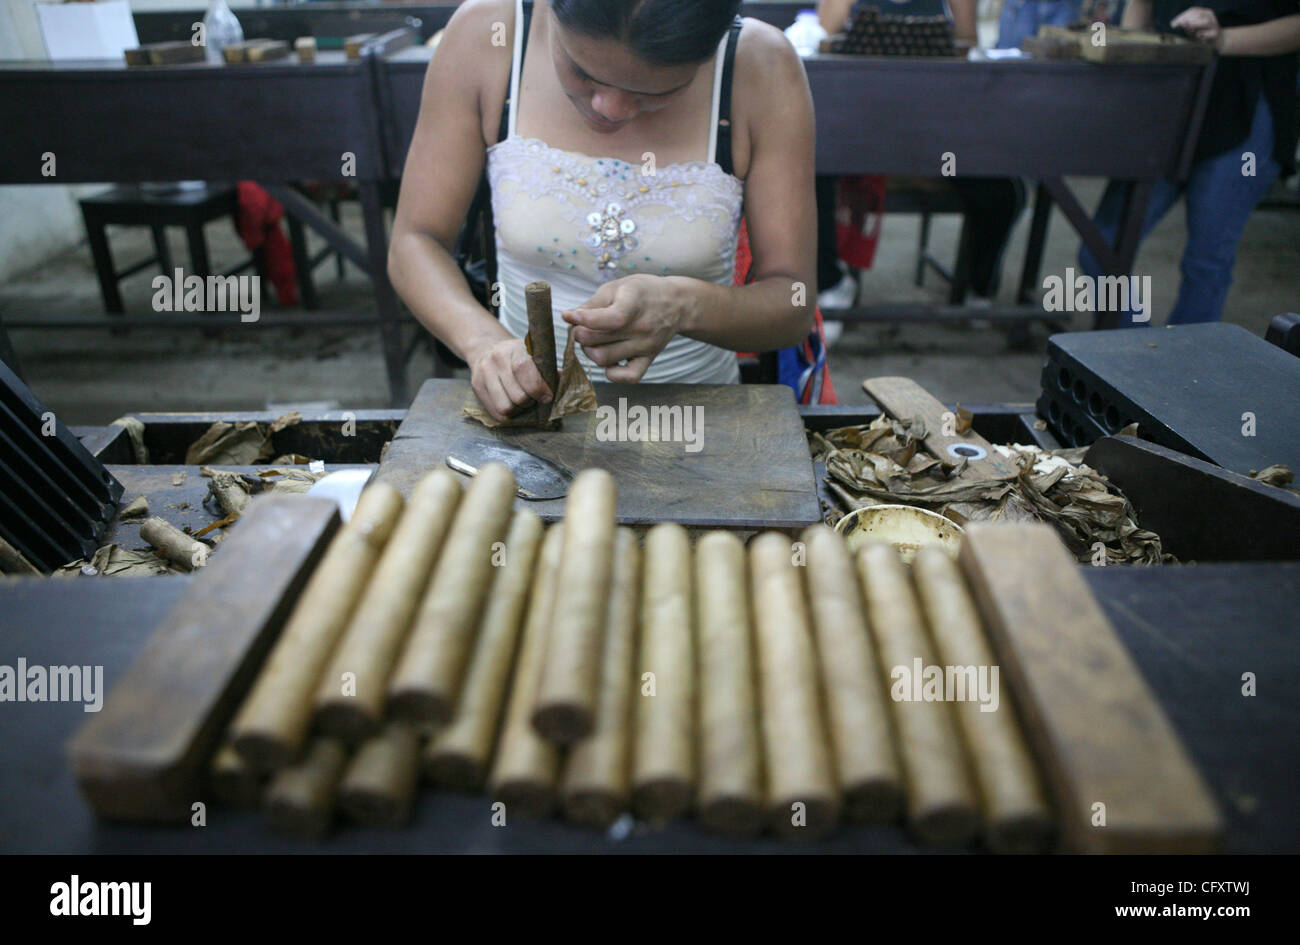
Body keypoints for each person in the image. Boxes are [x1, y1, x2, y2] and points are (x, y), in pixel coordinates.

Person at [389, 0, 817, 421]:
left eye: (655, 92)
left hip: (697, 427)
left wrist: (684, 305)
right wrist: (482, 341)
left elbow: (793, 301)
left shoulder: (761, 66)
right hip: (526, 424)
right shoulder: (488, 36)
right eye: (582, 72)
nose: (609, 109)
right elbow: (416, 241)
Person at [1079, 1, 1300, 327]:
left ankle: (1182, 371)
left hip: (1248, 106)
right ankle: (1138, 358)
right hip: (1168, 98)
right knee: (1100, 247)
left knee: (1207, 261)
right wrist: (1131, 52)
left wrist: (1223, 40)